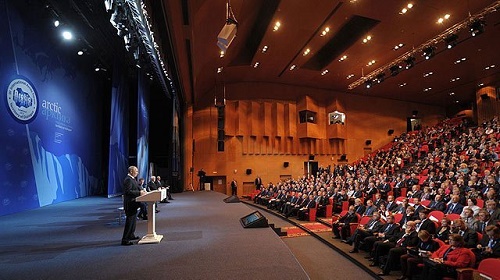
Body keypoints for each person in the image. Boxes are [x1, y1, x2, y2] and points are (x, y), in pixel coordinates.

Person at [121, 166, 147, 246]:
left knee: (133, 221)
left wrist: (142, 190)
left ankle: (131, 235)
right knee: (129, 222)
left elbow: (137, 187)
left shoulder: (132, 179)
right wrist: (139, 193)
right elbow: (128, 191)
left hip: (134, 203)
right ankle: (125, 239)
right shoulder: (128, 179)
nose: (137, 172)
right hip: (130, 204)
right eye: (136, 171)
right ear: (131, 171)